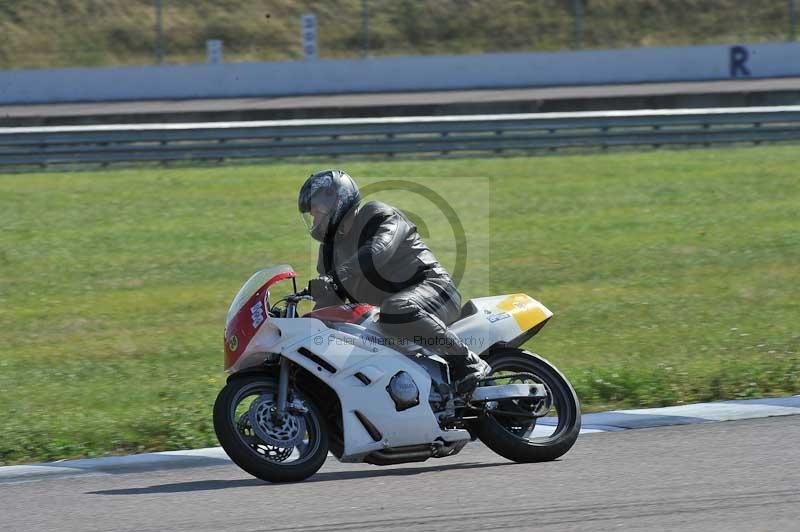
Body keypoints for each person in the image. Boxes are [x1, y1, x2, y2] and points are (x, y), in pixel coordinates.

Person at [298, 169, 489, 395]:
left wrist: (337, 276)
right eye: (312, 214)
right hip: (386, 318)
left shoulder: (377, 215)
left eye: (318, 211)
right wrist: (304, 327)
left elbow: (378, 251)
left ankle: (466, 361)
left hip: (435, 292)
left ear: (338, 201)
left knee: (396, 309)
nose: (315, 219)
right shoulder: (329, 251)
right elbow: (331, 304)